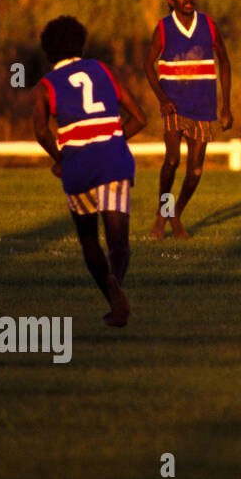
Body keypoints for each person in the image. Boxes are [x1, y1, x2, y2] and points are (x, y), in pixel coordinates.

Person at [33, 16, 147, 327]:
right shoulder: (103, 70)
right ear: (80, 43)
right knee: (118, 241)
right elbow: (140, 117)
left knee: (88, 240)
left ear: (48, 51)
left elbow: (41, 132)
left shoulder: (45, 86)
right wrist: (112, 140)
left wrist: (60, 157)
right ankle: (116, 289)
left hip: (78, 167)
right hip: (114, 161)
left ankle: (113, 299)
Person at [143, 0, 233, 239]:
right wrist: (162, 98)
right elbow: (148, 65)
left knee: (195, 170)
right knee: (172, 159)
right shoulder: (163, 28)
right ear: (171, 0)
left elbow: (225, 62)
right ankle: (162, 213)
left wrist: (225, 106)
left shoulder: (208, 25)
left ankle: (176, 214)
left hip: (204, 106)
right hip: (174, 105)